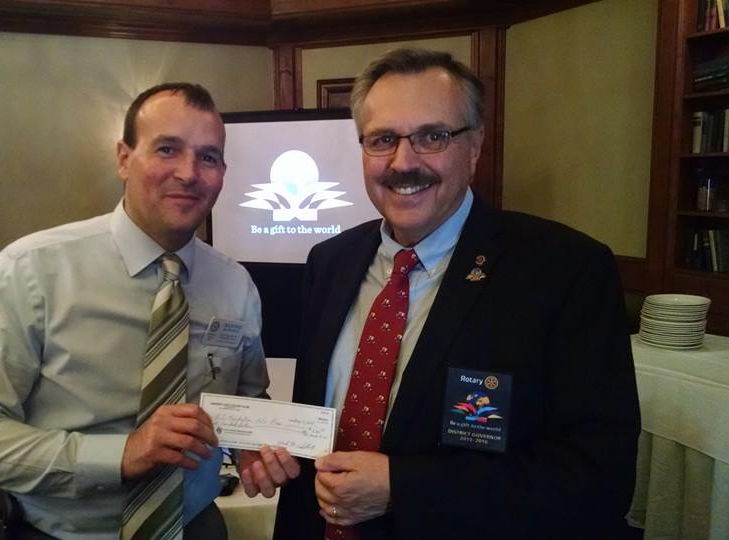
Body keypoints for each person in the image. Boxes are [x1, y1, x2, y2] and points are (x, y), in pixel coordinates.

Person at [273, 48, 641, 539]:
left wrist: (403, 488)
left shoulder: (565, 271)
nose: (404, 162)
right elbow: (314, 428)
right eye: (383, 139)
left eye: (433, 136)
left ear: (475, 146)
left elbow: (599, 477)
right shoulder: (329, 262)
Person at [0, 82, 295, 540]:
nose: (188, 173)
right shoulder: (31, 272)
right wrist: (121, 454)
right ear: (124, 158)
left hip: (197, 526)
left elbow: (248, 401)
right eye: (167, 149)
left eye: (208, 157)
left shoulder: (234, 284)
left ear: (222, 172)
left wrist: (253, 447)